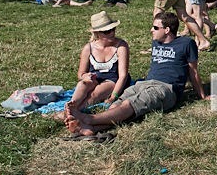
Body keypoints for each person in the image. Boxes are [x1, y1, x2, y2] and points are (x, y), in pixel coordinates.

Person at [65, 12, 207, 136]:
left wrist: (202, 95)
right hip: (143, 83)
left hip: (166, 88)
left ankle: (88, 119)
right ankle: (91, 129)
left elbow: (193, 71)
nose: (151, 30)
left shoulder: (186, 43)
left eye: (156, 28)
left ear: (167, 30)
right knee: (115, 107)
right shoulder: (156, 42)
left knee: (129, 104)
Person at [67, 12, 131, 112]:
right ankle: (71, 106)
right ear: (97, 33)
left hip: (113, 79)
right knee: (82, 85)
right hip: (95, 78)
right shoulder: (89, 48)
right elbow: (80, 73)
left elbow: (123, 76)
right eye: (107, 32)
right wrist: (85, 76)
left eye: (113, 29)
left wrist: (113, 97)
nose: (112, 33)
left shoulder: (121, 46)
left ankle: (71, 112)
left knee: (94, 95)